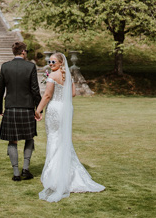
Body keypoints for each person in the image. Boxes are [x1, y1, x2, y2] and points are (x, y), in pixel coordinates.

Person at [35, 52, 105, 202]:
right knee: (62, 139)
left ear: (60, 63)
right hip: (65, 110)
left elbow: (47, 95)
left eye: (53, 62)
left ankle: (54, 176)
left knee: (54, 138)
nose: (50, 64)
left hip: (54, 109)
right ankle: (68, 174)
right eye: (49, 61)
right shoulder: (67, 76)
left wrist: (38, 110)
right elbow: (72, 93)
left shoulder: (52, 77)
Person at [0, 42, 42, 181]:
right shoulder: (30, 66)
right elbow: (35, 90)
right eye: (26, 51)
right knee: (29, 137)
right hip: (27, 108)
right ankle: (26, 169)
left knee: (12, 140)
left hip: (11, 108)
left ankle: (16, 173)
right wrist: (38, 109)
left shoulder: (5, 66)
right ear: (23, 52)